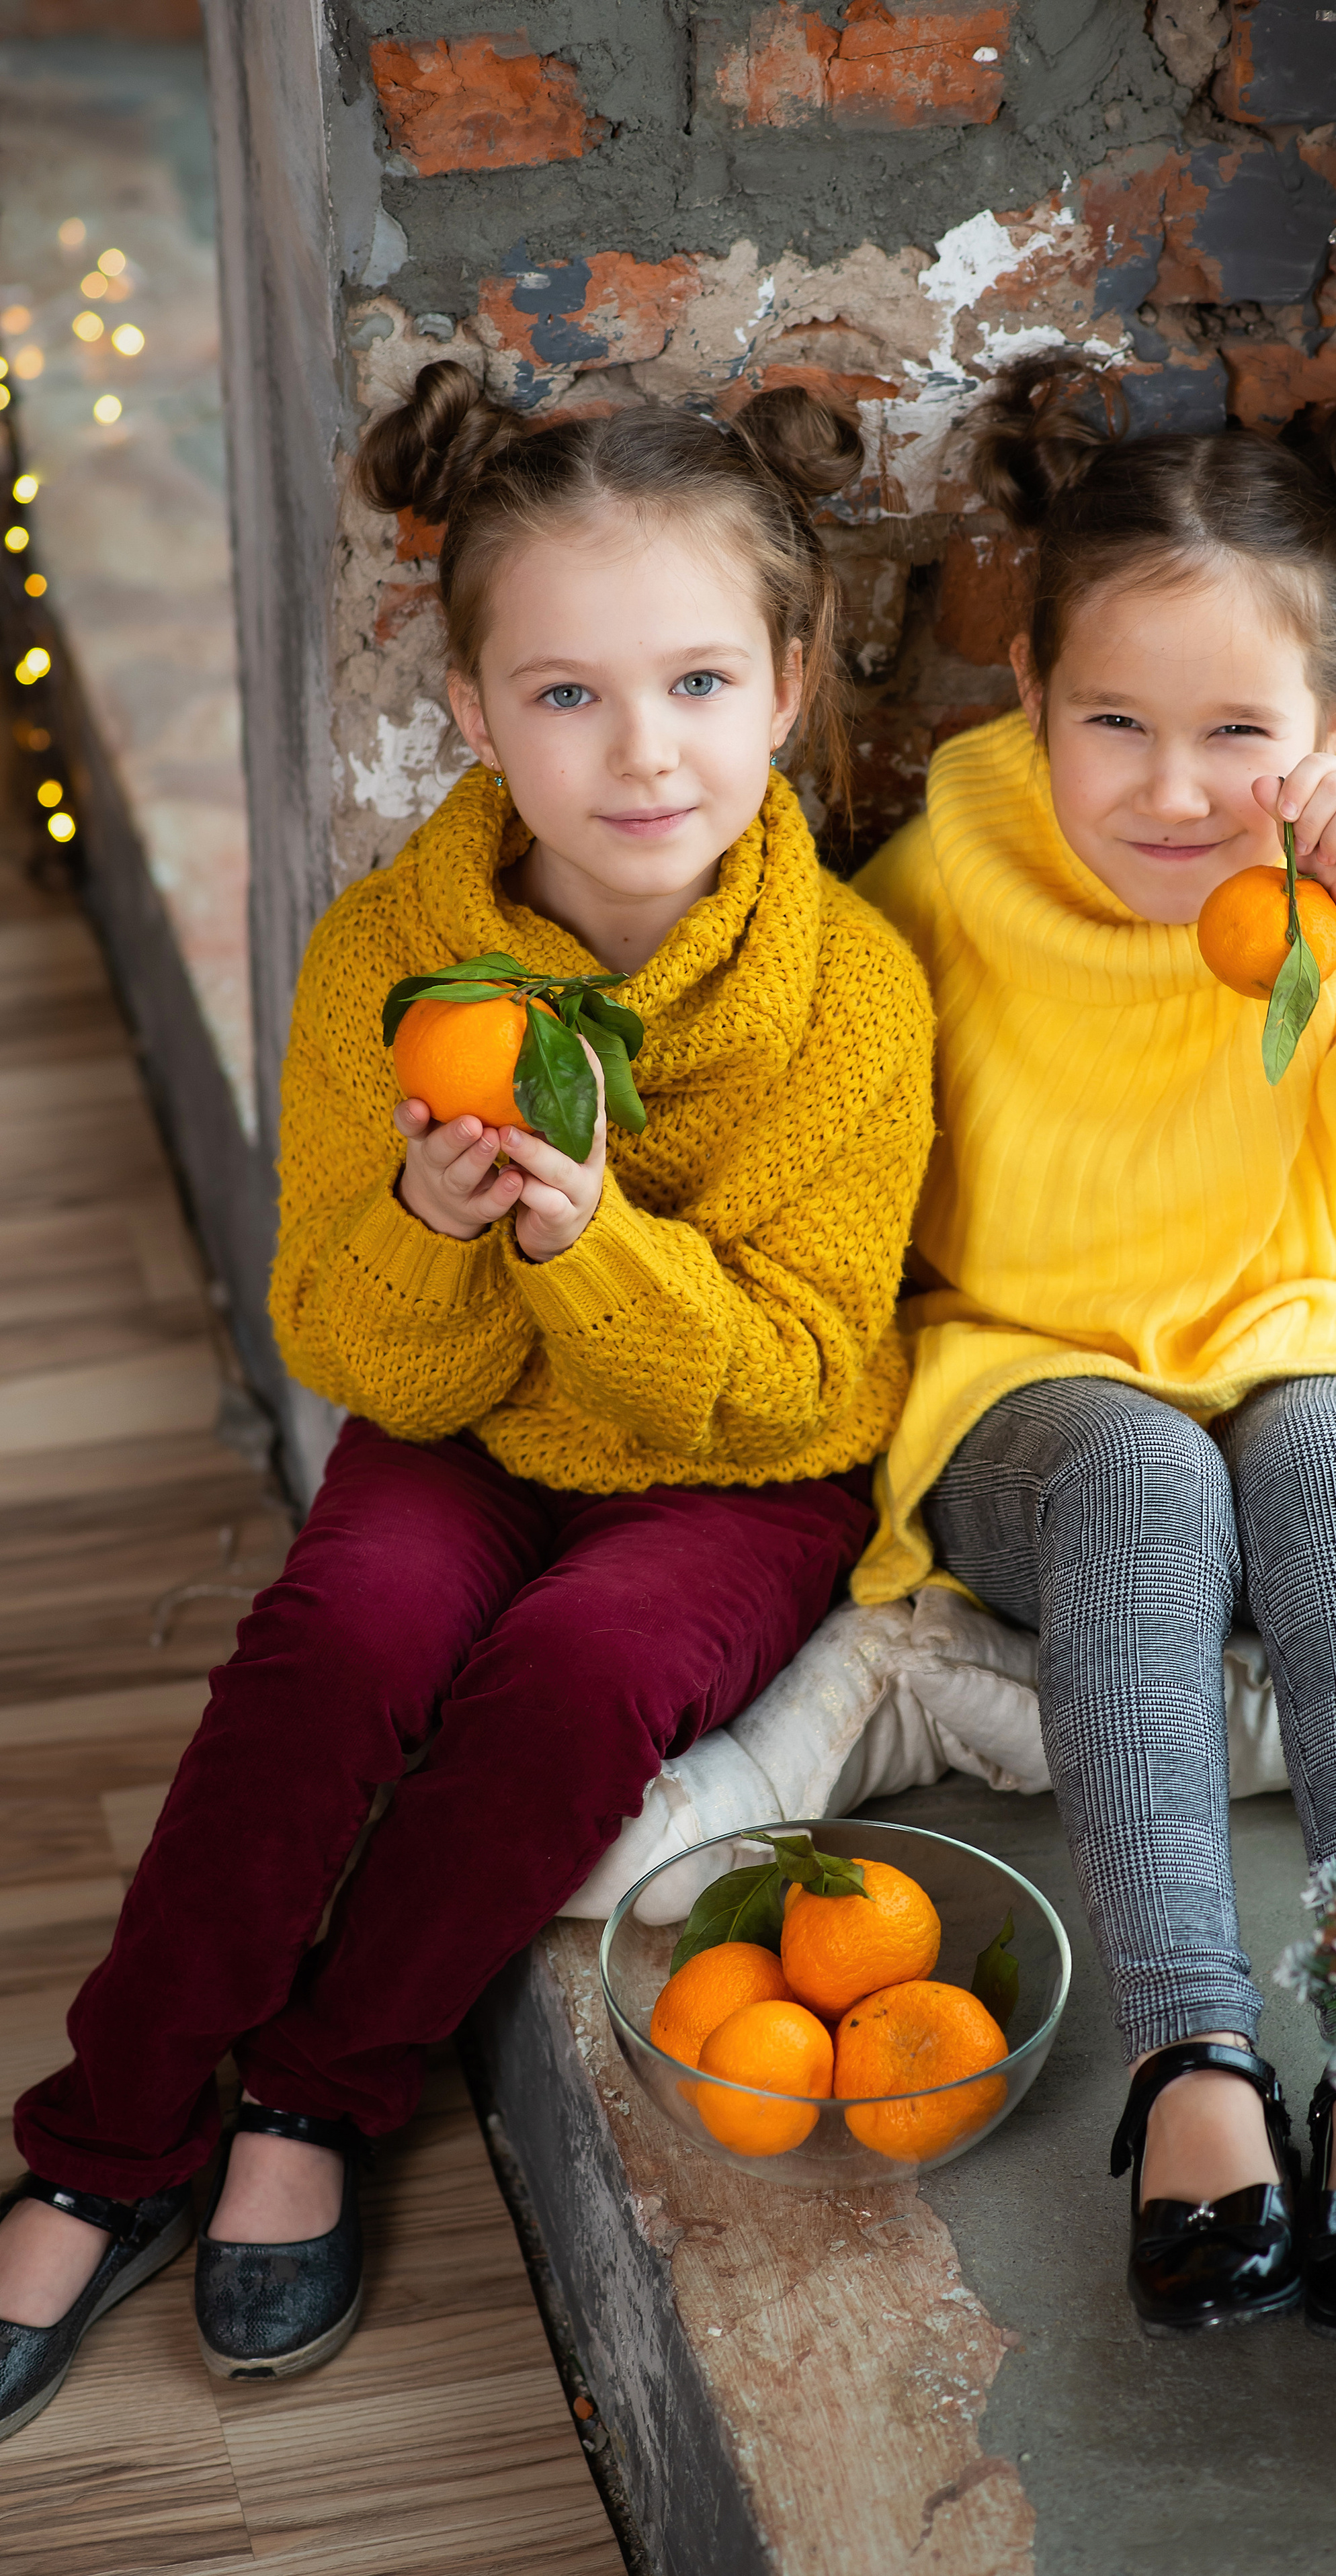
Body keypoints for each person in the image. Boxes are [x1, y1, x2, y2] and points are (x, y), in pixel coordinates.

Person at [0, 363, 933, 2429]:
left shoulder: (846, 995)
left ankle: (318, 2099)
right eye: (570, 694)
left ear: (787, 685)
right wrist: (440, 1224)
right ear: (478, 708)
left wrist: (587, 1239)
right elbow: (357, 1347)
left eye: (696, 682)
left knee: (573, 1676)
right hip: (470, 1420)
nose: (640, 752)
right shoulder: (388, 965)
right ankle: (111, 2127)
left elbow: (785, 1379)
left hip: (736, 1466)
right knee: (341, 1634)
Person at [850, 356, 1336, 2344]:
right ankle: (1191, 2057)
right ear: (1027, 692)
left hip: (1294, 1330)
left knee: (1330, 1461)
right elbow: (846, 1131)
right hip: (1026, 1380)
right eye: (1112, 722)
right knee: (1143, 1473)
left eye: (1238, 731)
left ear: (1335, 721)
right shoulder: (956, 860)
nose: (1170, 787)